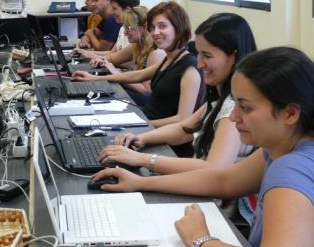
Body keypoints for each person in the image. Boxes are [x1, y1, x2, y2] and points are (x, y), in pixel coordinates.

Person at [91, 47, 314, 247]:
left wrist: (201, 239)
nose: (234, 116)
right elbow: (224, 180)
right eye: (235, 104)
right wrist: (141, 182)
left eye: (245, 108)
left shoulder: (290, 170)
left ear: (290, 113)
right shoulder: (279, 148)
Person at [98, 13, 257, 177]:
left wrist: (142, 159)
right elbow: (185, 129)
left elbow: (213, 168)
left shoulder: (233, 107)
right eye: (200, 54)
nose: (200, 63)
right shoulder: (220, 97)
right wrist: (140, 138)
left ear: (234, 56)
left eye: (207, 56)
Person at [74, 1, 202, 129]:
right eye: (152, 27)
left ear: (179, 28)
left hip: (158, 133)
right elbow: (138, 75)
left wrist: (139, 124)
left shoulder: (189, 69)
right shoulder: (171, 59)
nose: (155, 32)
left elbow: (183, 120)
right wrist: (94, 78)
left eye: (162, 26)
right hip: (146, 119)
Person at [76, 6, 165, 105]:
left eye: (129, 28)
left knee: (112, 94)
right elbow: (112, 57)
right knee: (107, 90)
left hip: (152, 101)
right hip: (142, 94)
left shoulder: (155, 52)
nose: (125, 33)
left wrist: (116, 73)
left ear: (143, 28)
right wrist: (96, 57)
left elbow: (146, 91)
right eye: (124, 27)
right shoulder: (136, 46)